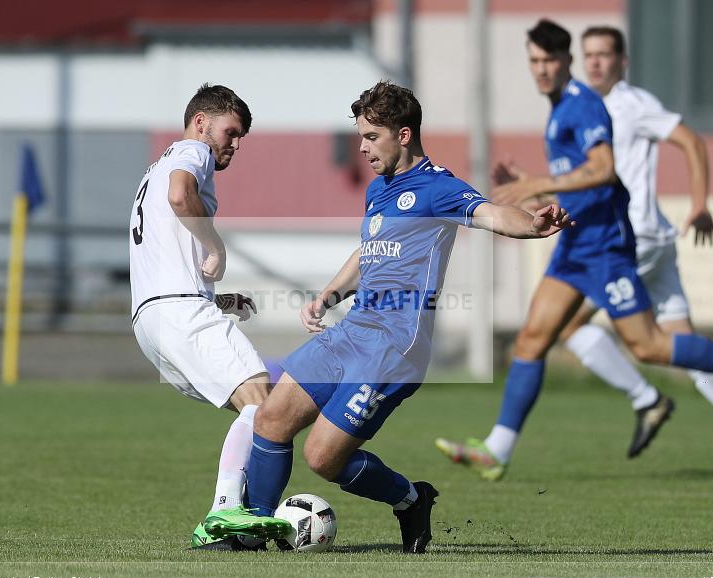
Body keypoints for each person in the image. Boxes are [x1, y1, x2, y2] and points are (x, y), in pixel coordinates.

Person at [201, 81, 573, 553]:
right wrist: (329, 294)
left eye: (371, 137)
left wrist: (533, 225)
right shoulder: (379, 190)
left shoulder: (438, 187)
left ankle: (412, 499)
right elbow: (370, 251)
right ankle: (253, 529)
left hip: (394, 348)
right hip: (352, 331)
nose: (362, 147)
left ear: (403, 135)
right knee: (271, 418)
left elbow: (493, 215)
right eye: (360, 136)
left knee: (323, 458)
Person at [434, 20, 713, 481]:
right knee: (532, 338)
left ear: (566, 61)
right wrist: (537, 191)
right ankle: (497, 449)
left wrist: (537, 183)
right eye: (534, 61)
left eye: (549, 60)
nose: (541, 69)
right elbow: (581, 182)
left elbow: (603, 169)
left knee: (648, 345)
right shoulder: (560, 108)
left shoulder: (585, 104)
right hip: (576, 243)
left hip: (607, 245)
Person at [557, 26, 713, 473]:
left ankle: (648, 398)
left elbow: (691, 141)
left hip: (631, 238)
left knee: (564, 323)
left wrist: (700, 204)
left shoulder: (633, 104)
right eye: (589, 54)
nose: (595, 62)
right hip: (645, 238)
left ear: (622, 61)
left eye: (604, 54)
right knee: (684, 345)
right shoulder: (583, 107)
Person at [128, 83, 290, 550]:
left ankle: (236, 520)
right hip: (179, 312)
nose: (234, 144)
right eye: (230, 132)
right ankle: (224, 512)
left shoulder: (155, 168)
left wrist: (217, 300)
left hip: (152, 319)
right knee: (262, 401)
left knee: (256, 407)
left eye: (240, 137)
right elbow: (181, 197)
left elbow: (166, 255)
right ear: (201, 123)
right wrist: (216, 246)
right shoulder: (192, 151)